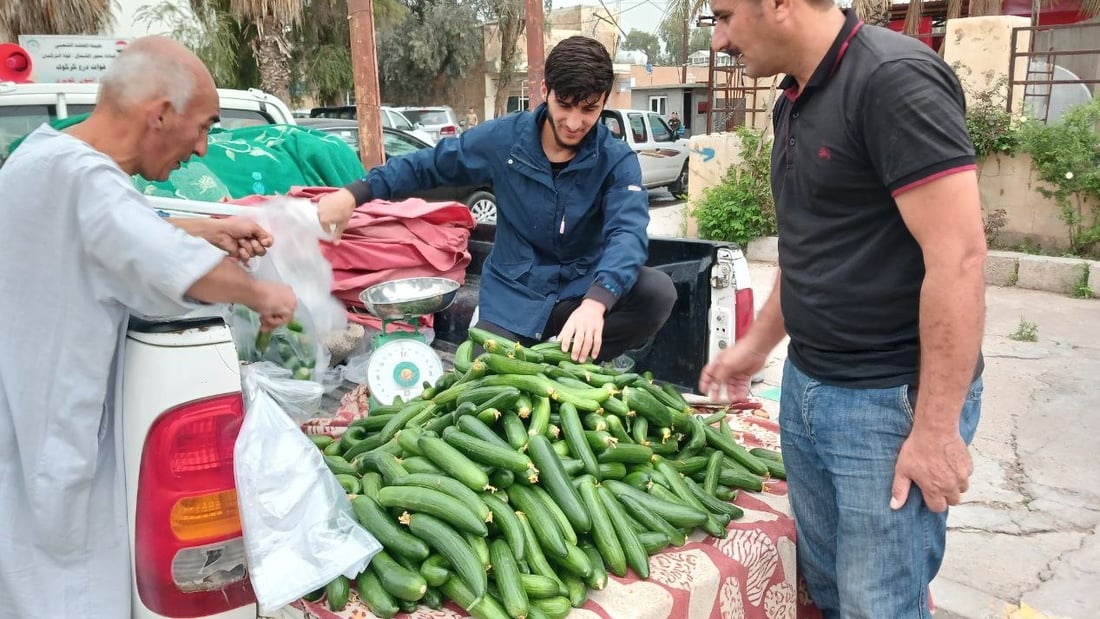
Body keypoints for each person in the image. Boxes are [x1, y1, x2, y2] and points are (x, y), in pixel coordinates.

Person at [699, 3, 986, 618]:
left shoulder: (893, 79)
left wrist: (935, 430)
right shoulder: (793, 99)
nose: (719, 39)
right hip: (809, 388)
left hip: (885, 404)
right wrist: (752, 349)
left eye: (723, 16)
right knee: (826, 591)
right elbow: (813, 249)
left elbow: (959, 257)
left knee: (876, 605)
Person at [0, 36, 299, 619]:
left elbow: (112, 231)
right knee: (68, 589)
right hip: (58, 440)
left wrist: (206, 231)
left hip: (22, 420)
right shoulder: (85, 179)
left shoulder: (38, 158)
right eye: (204, 126)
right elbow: (159, 259)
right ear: (160, 113)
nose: (202, 148)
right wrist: (263, 292)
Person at [318, 36, 677, 362]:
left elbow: (627, 235)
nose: (573, 121)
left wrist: (596, 303)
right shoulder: (505, 140)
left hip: (577, 295)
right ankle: (548, 364)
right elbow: (430, 166)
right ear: (544, 90)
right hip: (513, 298)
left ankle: (566, 362)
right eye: (564, 104)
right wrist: (357, 192)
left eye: (588, 109)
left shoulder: (616, 160)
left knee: (657, 292)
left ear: (603, 103)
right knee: (481, 380)